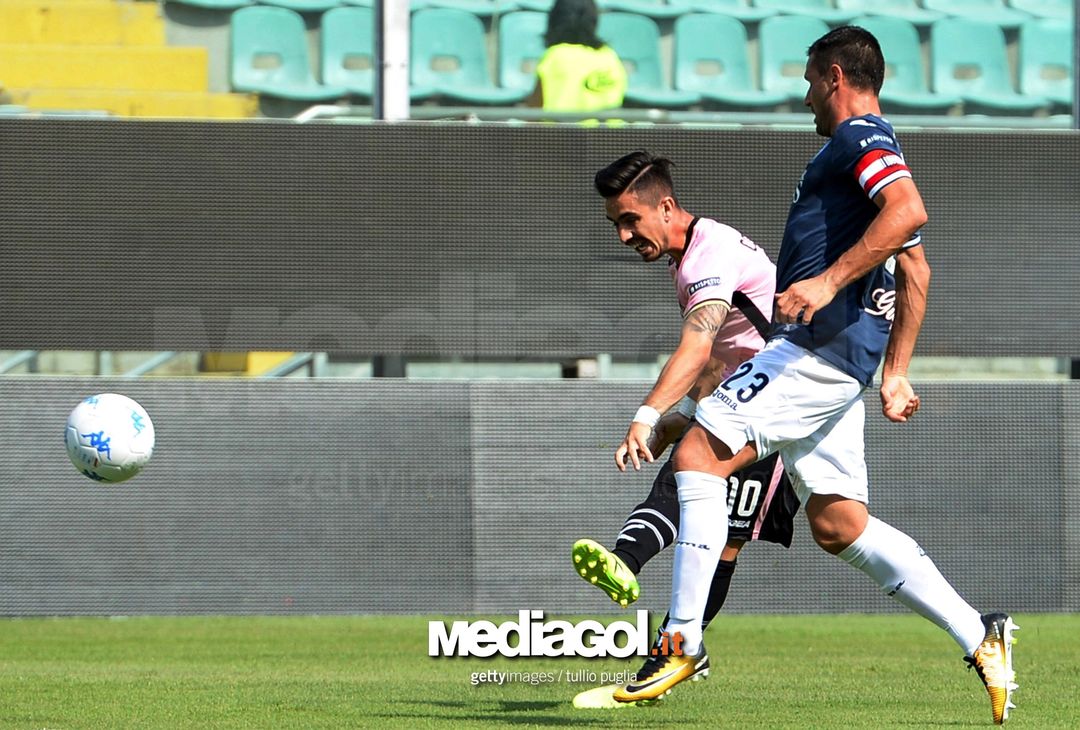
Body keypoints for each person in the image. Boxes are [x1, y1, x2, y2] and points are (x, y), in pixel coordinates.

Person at [611, 26, 1019, 725]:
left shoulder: (860, 136)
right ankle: (980, 634)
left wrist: (828, 282)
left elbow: (910, 212)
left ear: (833, 75)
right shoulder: (859, 153)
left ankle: (680, 640)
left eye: (808, 81)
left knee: (699, 455)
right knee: (839, 526)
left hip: (815, 347)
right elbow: (915, 267)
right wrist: (895, 372)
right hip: (844, 359)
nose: (805, 96)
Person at [569, 152, 800, 708]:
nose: (624, 236)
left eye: (630, 220)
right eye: (615, 225)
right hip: (752, 396)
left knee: (716, 506)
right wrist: (678, 418)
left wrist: (647, 414)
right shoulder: (689, 261)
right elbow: (722, 359)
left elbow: (699, 346)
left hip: (786, 397)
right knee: (827, 532)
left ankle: (638, 577)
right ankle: (674, 647)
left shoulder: (708, 253)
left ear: (666, 206)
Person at [526, 0, 627, 113]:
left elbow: (533, 113)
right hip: (608, 131)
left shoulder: (555, 56)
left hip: (562, 130)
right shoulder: (609, 56)